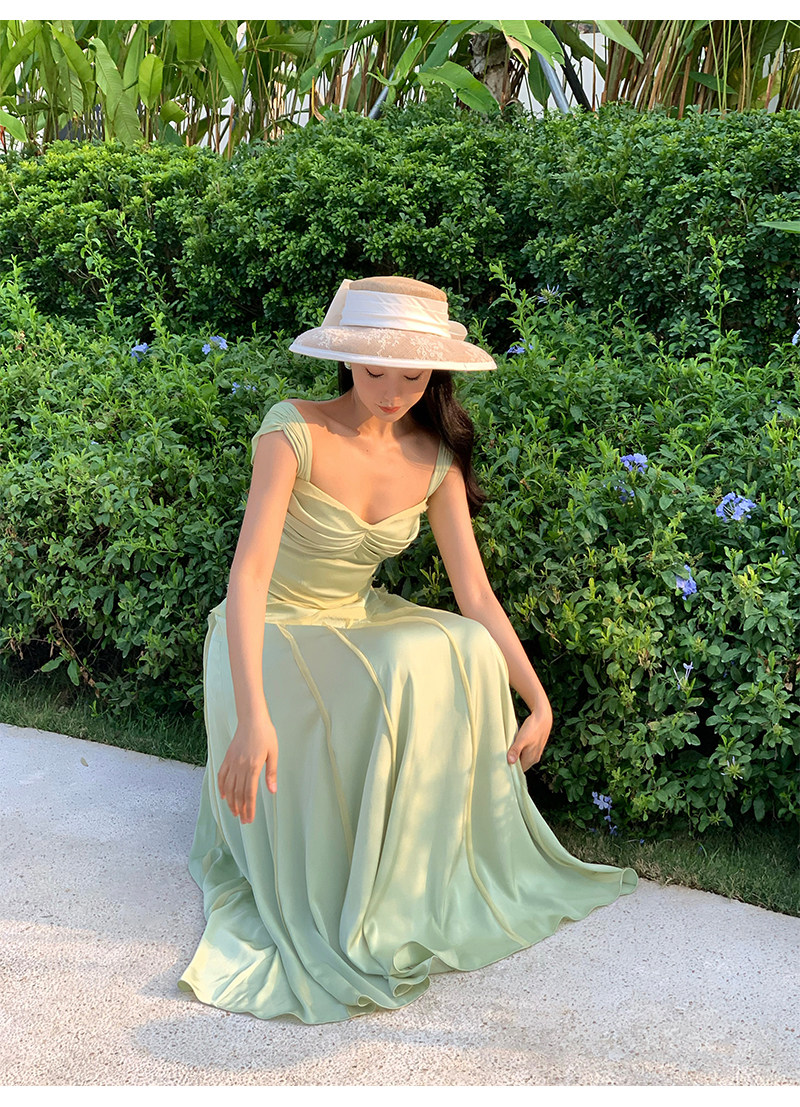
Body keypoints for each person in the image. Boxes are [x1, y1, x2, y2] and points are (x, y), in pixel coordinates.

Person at [178, 275, 638, 1024]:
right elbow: (249, 576)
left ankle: (417, 869)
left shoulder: (433, 457)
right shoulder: (291, 430)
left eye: (413, 377)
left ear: (435, 377)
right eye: (374, 371)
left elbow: (475, 594)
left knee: (464, 645)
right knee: (400, 664)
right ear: (346, 360)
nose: (392, 392)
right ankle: (351, 880)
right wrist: (252, 717)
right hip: (268, 631)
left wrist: (537, 699)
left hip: (353, 618)